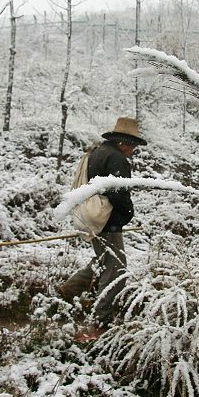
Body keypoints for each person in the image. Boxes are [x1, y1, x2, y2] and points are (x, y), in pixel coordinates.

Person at [57, 117, 147, 326]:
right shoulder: (117, 159)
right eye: (132, 145)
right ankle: (100, 317)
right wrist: (127, 213)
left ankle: (70, 289)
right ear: (124, 142)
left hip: (92, 217)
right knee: (117, 270)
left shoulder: (96, 153)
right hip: (107, 221)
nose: (133, 150)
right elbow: (119, 193)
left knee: (104, 260)